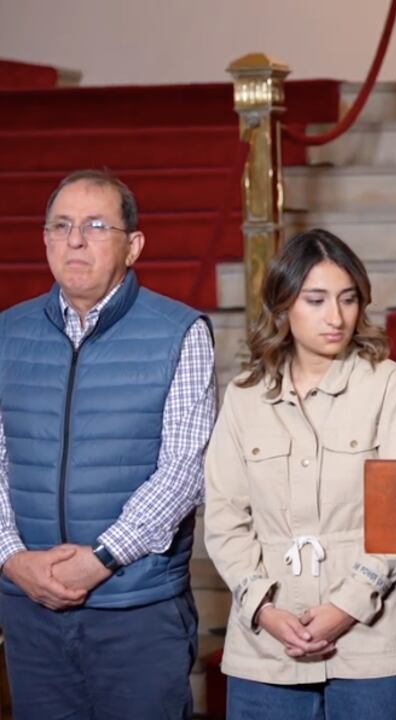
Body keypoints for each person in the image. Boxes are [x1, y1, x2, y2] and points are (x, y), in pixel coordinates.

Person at [0, 169, 215, 719]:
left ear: (133, 245)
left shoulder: (180, 331)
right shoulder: (7, 333)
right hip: (29, 608)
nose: (75, 239)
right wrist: (11, 558)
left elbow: (183, 471)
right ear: (45, 239)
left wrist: (100, 558)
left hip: (135, 607)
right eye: (62, 225)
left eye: (96, 225)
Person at [203, 229, 396, 719]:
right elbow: (224, 519)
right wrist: (264, 608)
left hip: (376, 645)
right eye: (317, 300)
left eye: (348, 300)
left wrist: (345, 608)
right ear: (284, 304)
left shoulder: (389, 385)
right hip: (267, 650)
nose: (336, 317)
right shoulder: (245, 396)